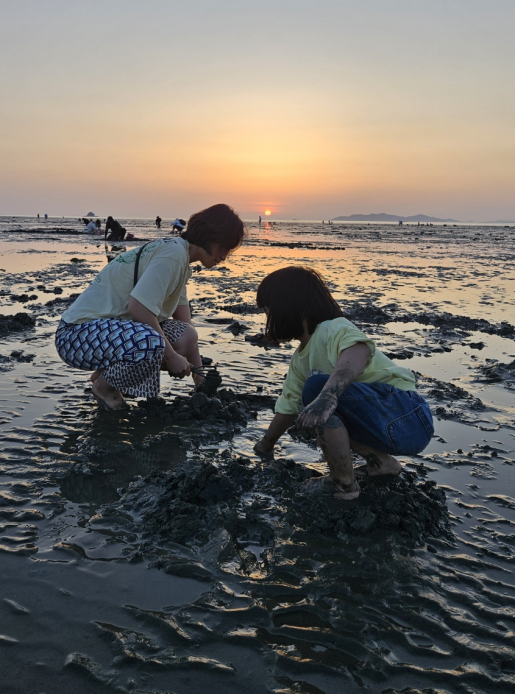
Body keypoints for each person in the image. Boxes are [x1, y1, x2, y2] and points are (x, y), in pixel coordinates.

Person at [253, 267, 433, 500]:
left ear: (289, 306)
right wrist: (265, 445)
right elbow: (289, 408)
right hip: (383, 425)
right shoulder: (300, 360)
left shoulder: (333, 328)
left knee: (317, 390)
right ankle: (382, 464)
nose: (268, 322)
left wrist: (328, 396)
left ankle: (343, 481)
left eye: (269, 313)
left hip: (406, 413)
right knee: (318, 402)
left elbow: (358, 350)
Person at [55, 204, 245, 410]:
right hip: (75, 335)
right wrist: (171, 357)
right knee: (151, 343)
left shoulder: (181, 260)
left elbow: (186, 328)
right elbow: (138, 309)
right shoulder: (172, 254)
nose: (224, 256)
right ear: (210, 235)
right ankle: (105, 387)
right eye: (224, 247)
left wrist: (200, 380)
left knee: (186, 335)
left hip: (105, 335)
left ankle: (105, 375)